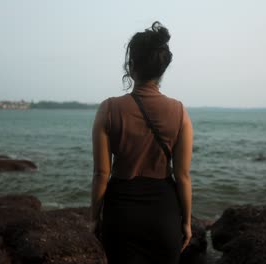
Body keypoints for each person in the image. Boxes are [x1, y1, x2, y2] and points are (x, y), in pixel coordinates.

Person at [90, 21, 193, 264]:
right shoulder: (179, 112)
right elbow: (183, 176)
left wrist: (94, 218)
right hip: (164, 214)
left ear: (131, 65)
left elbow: (101, 174)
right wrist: (186, 222)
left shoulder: (109, 109)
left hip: (121, 213)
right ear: (162, 69)